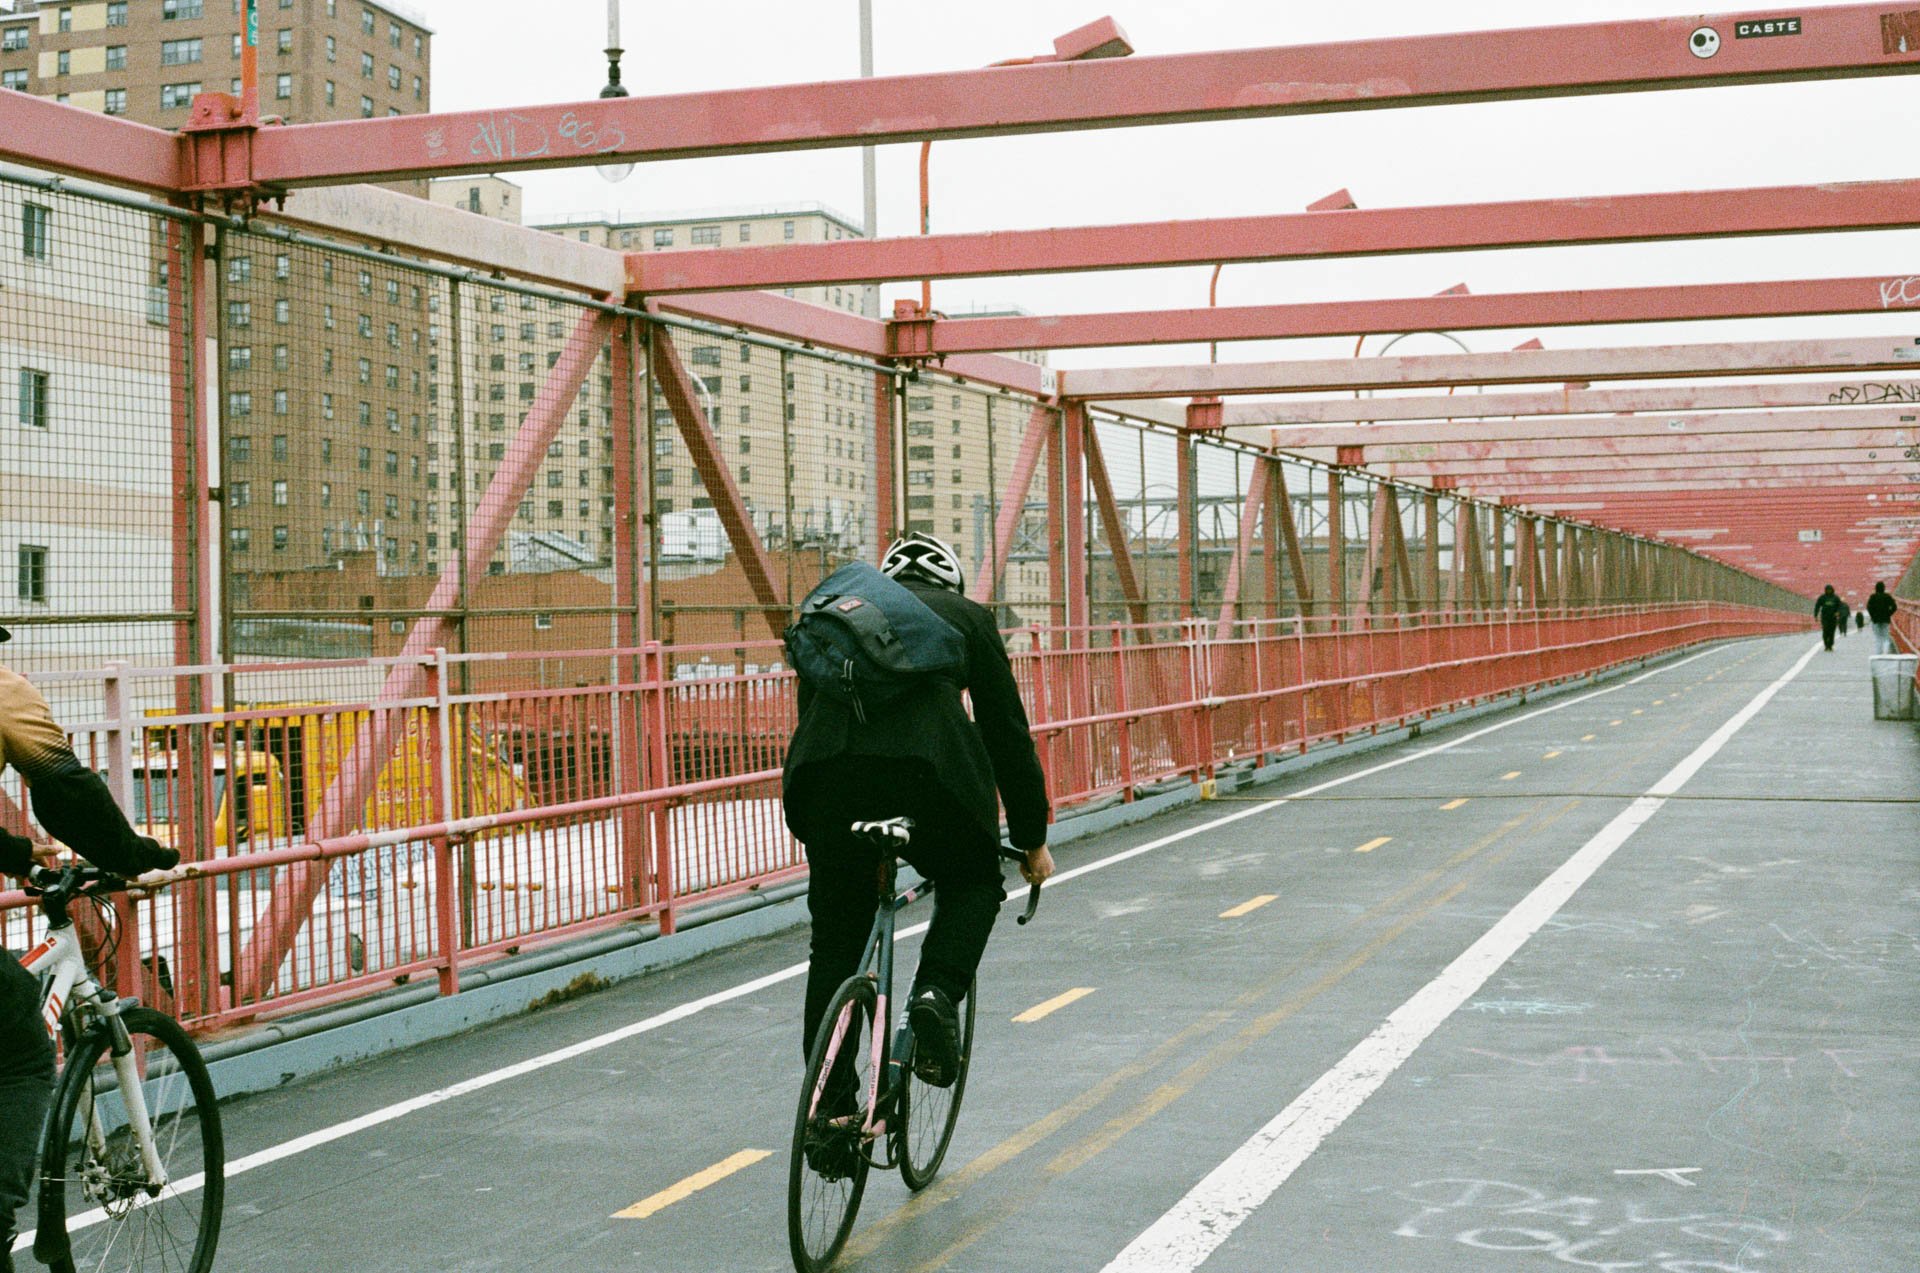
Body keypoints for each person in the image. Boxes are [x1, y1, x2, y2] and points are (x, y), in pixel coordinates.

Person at [783, 533, 1052, 1092]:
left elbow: (811, 715)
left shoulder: (838, 618)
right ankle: (934, 996)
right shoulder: (967, 617)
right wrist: (1031, 838)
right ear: (946, 583)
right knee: (974, 882)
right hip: (928, 779)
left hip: (826, 783)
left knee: (835, 939)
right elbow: (1006, 734)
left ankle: (830, 1112)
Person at [0, 623, 177, 1271]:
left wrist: (15, 854)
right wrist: (129, 855)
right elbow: (66, 789)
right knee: (19, 1044)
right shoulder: (4, 692)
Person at [1867, 582, 1900, 655]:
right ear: (1884, 588)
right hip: (1886, 619)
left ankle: (1879, 654)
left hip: (1876, 620)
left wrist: (1872, 616)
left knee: (1878, 637)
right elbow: (1894, 607)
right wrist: (1889, 613)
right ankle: (1886, 653)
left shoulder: (1873, 597)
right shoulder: (1887, 596)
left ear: (1876, 588)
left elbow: (1869, 607)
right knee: (1885, 636)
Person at [1814, 585, 1844, 651]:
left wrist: (1838, 612)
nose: (1829, 591)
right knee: (1825, 631)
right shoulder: (1822, 597)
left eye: (1830, 589)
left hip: (1833, 617)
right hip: (1825, 617)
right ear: (1825, 590)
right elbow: (1817, 606)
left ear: (1832, 590)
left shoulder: (1836, 598)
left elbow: (1840, 606)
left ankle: (1830, 645)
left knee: (1832, 632)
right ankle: (1826, 645)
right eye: (1827, 590)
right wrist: (1815, 615)